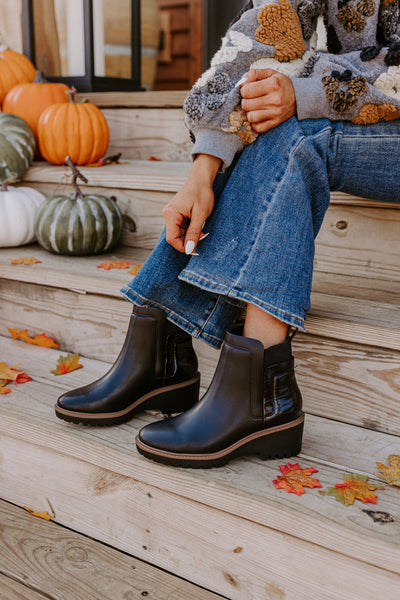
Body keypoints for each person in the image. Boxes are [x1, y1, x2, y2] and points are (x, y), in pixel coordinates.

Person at [55, 0, 400, 468]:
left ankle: (256, 391)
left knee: (295, 137)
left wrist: (308, 91)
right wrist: (204, 166)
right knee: (263, 122)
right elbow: (262, 28)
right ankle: (164, 350)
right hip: (357, 102)